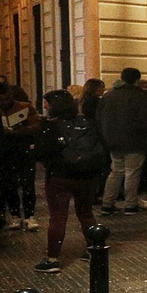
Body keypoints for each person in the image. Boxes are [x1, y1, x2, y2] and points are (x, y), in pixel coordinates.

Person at [31, 90, 108, 273]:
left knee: (58, 216)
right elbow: (101, 146)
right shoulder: (87, 122)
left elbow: (41, 153)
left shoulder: (49, 126)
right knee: (86, 213)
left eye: (46, 103)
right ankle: (93, 248)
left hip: (60, 176)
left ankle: (52, 258)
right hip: (87, 176)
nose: (44, 106)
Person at [97, 67, 147, 213]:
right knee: (132, 172)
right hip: (135, 140)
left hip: (113, 141)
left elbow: (99, 118)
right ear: (137, 80)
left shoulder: (109, 96)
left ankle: (107, 203)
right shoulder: (139, 97)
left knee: (116, 171)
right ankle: (130, 204)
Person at [0, 84, 41, 231]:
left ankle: (29, 216)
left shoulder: (24, 107)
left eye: (7, 98)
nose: (5, 102)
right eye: (1, 99)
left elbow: (36, 125)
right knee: (9, 184)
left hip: (22, 149)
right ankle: (15, 214)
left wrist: (18, 131)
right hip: (3, 151)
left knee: (27, 184)